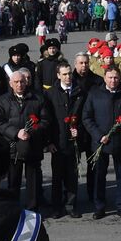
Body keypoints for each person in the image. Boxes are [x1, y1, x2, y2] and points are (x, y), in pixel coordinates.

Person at [0, 68, 55, 212]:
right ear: (10, 83)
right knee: (13, 180)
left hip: (33, 145)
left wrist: (30, 131)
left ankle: (32, 208)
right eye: (16, 82)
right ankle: (13, 209)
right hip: (13, 146)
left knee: (33, 180)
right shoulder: (3, 100)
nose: (19, 84)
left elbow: (45, 120)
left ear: (26, 82)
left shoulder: (38, 98)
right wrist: (16, 133)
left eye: (22, 81)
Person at [82, 65, 121, 219]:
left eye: (116, 78)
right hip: (100, 143)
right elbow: (87, 117)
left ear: (120, 79)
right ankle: (99, 206)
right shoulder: (94, 94)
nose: (113, 80)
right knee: (99, 176)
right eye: (110, 77)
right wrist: (98, 135)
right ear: (104, 77)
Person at [44, 63, 85, 218]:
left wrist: (78, 130)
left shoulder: (80, 91)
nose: (68, 77)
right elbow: (47, 120)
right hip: (57, 142)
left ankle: (70, 204)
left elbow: (84, 115)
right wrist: (49, 142)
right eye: (65, 74)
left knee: (72, 176)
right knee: (57, 176)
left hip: (74, 142)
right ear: (58, 75)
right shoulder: (51, 93)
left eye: (69, 74)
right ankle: (56, 206)